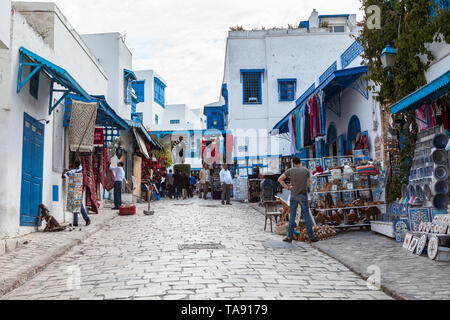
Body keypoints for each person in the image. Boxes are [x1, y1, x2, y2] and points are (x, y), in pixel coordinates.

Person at [278, 156, 317, 243]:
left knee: (292, 216)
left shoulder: (291, 171)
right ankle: (311, 237)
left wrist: (288, 187)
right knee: (307, 216)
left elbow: (280, 179)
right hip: (303, 195)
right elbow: (308, 184)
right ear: (300, 162)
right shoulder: (306, 171)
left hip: (293, 195)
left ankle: (289, 237)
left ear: (293, 162)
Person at [62, 158, 90, 227]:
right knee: (79, 205)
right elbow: (75, 170)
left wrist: (64, 172)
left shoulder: (71, 172)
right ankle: (78, 221)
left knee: (76, 206)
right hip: (79, 191)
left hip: (73, 191)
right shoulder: (80, 169)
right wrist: (69, 170)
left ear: (74, 165)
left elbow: (63, 177)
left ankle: (84, 220)